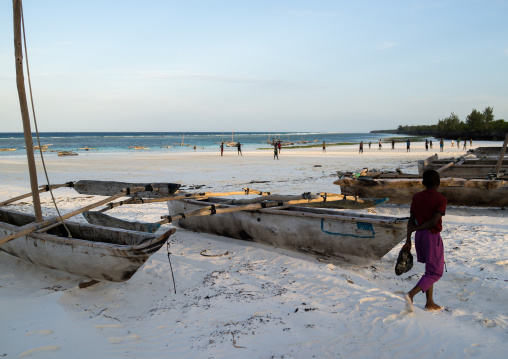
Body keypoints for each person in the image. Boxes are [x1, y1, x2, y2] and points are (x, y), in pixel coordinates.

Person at [402, 169, 447, 312]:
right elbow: (434, 222)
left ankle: (429, 303)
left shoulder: (417, 197)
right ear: (438, 184)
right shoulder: (441, 199)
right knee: (435, 272)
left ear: (423, 183)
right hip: (431, 237)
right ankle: (411, 294)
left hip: (419, 237)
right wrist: (418, 228)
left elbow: (411, 220)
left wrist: (408, 239)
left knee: (430, 269)